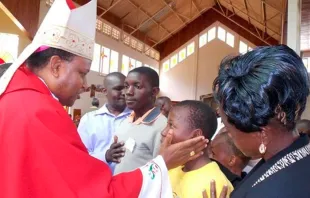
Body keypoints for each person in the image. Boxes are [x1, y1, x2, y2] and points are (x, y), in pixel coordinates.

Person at [0, 0, 208, 197]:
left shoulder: (19, 99)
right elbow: (92, 193)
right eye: (82, 73)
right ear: (56, 66)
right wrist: (161, 164)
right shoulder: (39, 111)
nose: (84, 83)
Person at [213, 45, 310, 197]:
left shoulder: (270, 191)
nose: (227, 134)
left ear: (262, 134)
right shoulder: (299, 150)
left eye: (228, 128)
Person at [162, 100, 234, 198]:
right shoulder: (172, 167)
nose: (163, 132)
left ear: (195, 136)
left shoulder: (215, 184)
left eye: (171, 125)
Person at [114, 66, 168, 174]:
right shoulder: (125, 121)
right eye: (126, 86)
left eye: (137, 86)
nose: (128, 92)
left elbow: (160, 171)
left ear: (154, 92)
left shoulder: (162, 127)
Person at [78, 72, 131, 170]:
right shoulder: (89, 120)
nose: (124, 92)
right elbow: (80, 156)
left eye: (126, 87)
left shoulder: (137, 118)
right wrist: (106, 156)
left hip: (129, 181)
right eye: (118, 89)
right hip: (96, 179)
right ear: (104, 91)